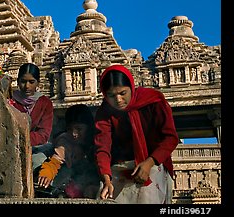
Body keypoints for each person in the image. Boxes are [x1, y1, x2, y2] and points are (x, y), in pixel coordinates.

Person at [94, 64, 179, 203]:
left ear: (131, 88)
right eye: (111, 95)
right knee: (105, 197)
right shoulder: (105, 111)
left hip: (153, 161)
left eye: (123, 93)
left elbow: (170, 138)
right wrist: (106, 179)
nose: (118, 100)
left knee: (147, 194)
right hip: (120, 166)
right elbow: (102, 147)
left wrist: (149, 163)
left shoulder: (154, 101)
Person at [37, 104, 100, 198]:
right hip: (71, 181)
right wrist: (47, 173)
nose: (74, 134)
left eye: (79, 129)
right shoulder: (65, 140)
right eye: (70, 129)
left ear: (89, 127)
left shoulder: (98, 139)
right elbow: (56, 159)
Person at [7, 63, 54, 176]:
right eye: (23, 81)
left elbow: (44, 135)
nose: (27, 86)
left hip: (36, 147)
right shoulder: (9, 100)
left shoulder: (45, 103)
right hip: (11, 146)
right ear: (17, 82)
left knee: (35, 162)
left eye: (31, 82)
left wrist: (23, 138)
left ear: (38, 82)